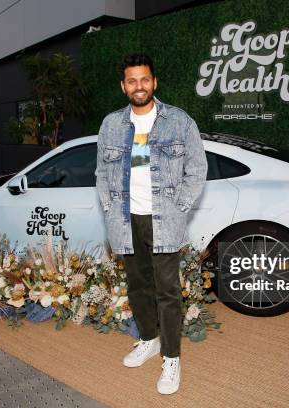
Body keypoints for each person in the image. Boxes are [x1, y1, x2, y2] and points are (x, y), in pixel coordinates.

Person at [95, 54, 207, 394]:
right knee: (138, 289)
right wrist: (110, 207)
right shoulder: (111, 124)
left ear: (154, 82)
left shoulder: (179, 121)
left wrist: (180, 208)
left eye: (144, 79)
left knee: (168, 293)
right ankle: (149, 339)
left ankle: (171, 358)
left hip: (163, 220)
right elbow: (102, 172)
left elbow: (197, 169)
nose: (138, 86)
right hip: (127, 220)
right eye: (132, 80)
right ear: (123, 86)